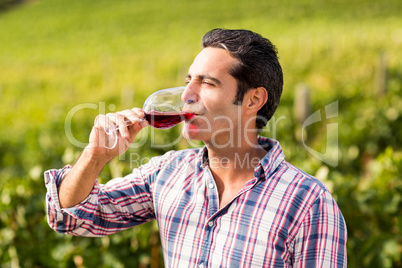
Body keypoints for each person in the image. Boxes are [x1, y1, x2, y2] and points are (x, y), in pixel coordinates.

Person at [45, 28, 347, 267]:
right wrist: (95, 156)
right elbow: (72, 217)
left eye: (208, 83)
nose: (187, 94)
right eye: (189, 80)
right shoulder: (167, 173)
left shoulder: (309, 204)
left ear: (253, 100)